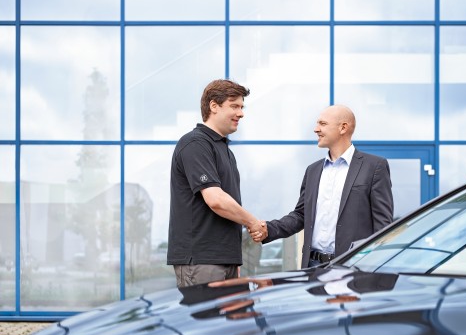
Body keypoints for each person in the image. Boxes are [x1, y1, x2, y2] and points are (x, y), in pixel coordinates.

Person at [250, 104, 393, 268]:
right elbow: (301, 215)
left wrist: (375, 266)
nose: (316, 129)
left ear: (343, 128)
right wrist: (269, 228)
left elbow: (383, 225)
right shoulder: (313, 170)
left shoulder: (374, 166)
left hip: (354, 268)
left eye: (322, 124)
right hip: (313, 267)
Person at [168, 79, 267, 287]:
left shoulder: (224, 150)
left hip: (224, 259)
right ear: (214, 106)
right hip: (202, 260)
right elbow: (216, 200)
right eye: (234, 106)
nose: (241, 113)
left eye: (242, 107)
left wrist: (232, 258)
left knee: (230, 321)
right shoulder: (195, 143)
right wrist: (252, 222)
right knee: (207, 320)